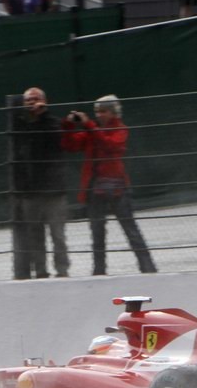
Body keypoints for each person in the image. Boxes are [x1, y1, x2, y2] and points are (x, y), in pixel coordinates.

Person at [63, 95, 157, 276]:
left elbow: (110, 145)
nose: (99, 115)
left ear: (113, 112)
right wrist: (68, 125)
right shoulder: (93, 130)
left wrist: (89, 125)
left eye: (103, 111)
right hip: (95, 190)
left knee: (131, 230)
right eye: (97, 111)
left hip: (118, 189)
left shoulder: (120, 129)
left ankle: (148, 269)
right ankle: (99, 271)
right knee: (97, 234)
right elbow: (71, 145)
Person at [11, 86, 74, 279]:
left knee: (58, 235)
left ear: (44, 101)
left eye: (35, 99)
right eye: (28, 100)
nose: (31, 102)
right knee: (35, 236)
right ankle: (40, 271)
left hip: (54, 191)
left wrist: (42, 115)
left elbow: (56, 140)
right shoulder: (19, 126)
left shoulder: (53, 122)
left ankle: (62, 270)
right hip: (30, 192)